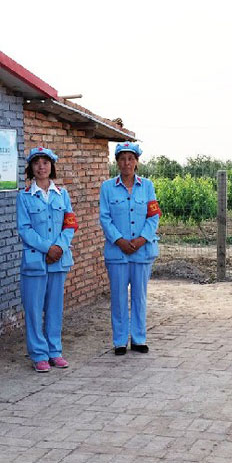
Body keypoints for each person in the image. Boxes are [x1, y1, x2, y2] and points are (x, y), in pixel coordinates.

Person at [16, 147, 77, 373]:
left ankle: (55, 351)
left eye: (46, 162)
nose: (41, 167)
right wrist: (47, 248)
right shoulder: (24, 197)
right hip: (35, 261)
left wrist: (59, 247)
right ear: (30, 168)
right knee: (33, 309)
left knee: (54, 308)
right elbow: (24, 229)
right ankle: (39, 354)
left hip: (58, 260)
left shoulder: (62, 195)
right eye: (36, 163)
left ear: (52, 167)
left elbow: (70, 224)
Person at [99, 142, 160, 355]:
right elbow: (105, 218)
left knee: (139, 297)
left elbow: (153, 216)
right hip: (117, 252)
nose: (127, 163)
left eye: (131, 159)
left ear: (136, 162)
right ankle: (119, 341)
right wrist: (120, 241)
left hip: (142, 252)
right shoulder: (107, 187)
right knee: (118, 297)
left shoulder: (147, 186)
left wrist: (142, 239)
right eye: (123, 159)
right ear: (117, 162)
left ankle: (139, 338)